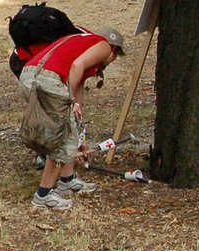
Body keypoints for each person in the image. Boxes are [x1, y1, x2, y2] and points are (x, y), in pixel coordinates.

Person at [17, 28, 125, 209]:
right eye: (115, 56)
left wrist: (77, 111)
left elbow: (78, 78)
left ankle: (67, 180)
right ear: (114, 50)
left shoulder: (79, 41)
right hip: (49, 80)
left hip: (31, 75)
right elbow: (77, 66)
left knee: (70, 128)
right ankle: (43, 195)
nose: (112, 60)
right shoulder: (104, 46)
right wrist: (70, 99)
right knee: (63, 138)